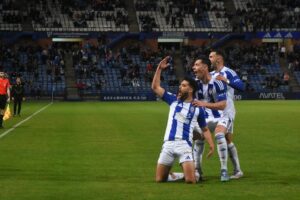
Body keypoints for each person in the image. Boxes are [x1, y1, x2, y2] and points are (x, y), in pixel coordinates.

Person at [152, 56, 214, 184]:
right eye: (181, 85)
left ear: (191, 89)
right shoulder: (173, 100)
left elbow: (205, 129)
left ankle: (192, 174)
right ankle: (179, 175)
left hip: (184, 145)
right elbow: (155, 87)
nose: (180, 87)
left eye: (184, 85)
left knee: (191, 180)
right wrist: (159, 68)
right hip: (168, 144)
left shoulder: (198, 108)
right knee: (159, 179)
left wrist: (212, 145)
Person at [208, 49, 245, 180]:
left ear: (219, 58)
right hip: (213, 111)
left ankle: (235, 170)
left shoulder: (229, 72)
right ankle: (237, 170)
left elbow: (241, 86)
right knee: (227, 141)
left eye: (211, 57)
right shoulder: (210, 74)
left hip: (226, 111)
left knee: (226, 139)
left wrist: (226, 81)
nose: (209, 59)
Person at [191, 56, 228, 182]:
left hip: (220, 116)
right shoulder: (194, 84)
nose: (193, 68)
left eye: (196, 65)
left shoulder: (217, 82)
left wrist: (204, 104)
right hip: (203, 119)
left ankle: (224, 170)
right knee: (199, 140)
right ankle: (198, 170)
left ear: (205, 67)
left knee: (219, 136)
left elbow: (223, 105)